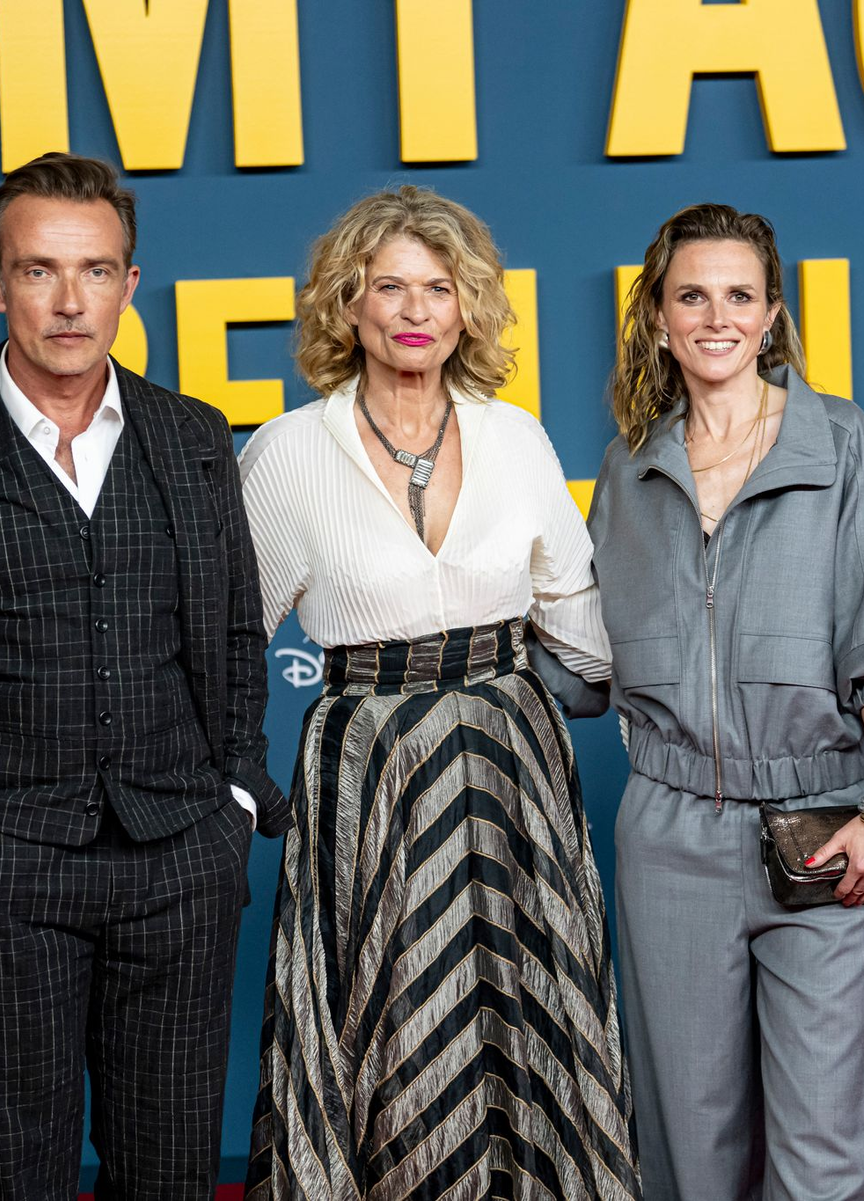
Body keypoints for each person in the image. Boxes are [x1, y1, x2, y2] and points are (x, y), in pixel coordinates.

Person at [239, 184, 638, 1200]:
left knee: (528, 1024)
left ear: (467, 307)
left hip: (514, 771)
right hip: (369, 773)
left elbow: (580, 627)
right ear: (348, 305)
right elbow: (230, 635)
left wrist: (554, 709)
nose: (415, 308)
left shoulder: (515, 438)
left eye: (439, 286)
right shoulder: (289, 452)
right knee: (396, 1026)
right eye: (390, 286)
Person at [590, 203, 864, 1201]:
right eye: (693, 295)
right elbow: (586, 652)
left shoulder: (838, 441)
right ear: (659, 316)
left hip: (826, 826)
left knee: (828, 1153)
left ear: (771, 315)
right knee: (689, 1152)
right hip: (667, 833)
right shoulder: (630, 466)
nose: (717, 317)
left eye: (740, 296)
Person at [0, 152, 288, 1199]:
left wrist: (236, 794)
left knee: (168, 1171)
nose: (70, 301)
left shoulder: (193, 435)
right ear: (2, 282)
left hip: (179, 861)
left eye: (95, 271)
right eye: (39, 270)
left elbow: (235, 632)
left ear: (131, 282)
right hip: (13, 864)